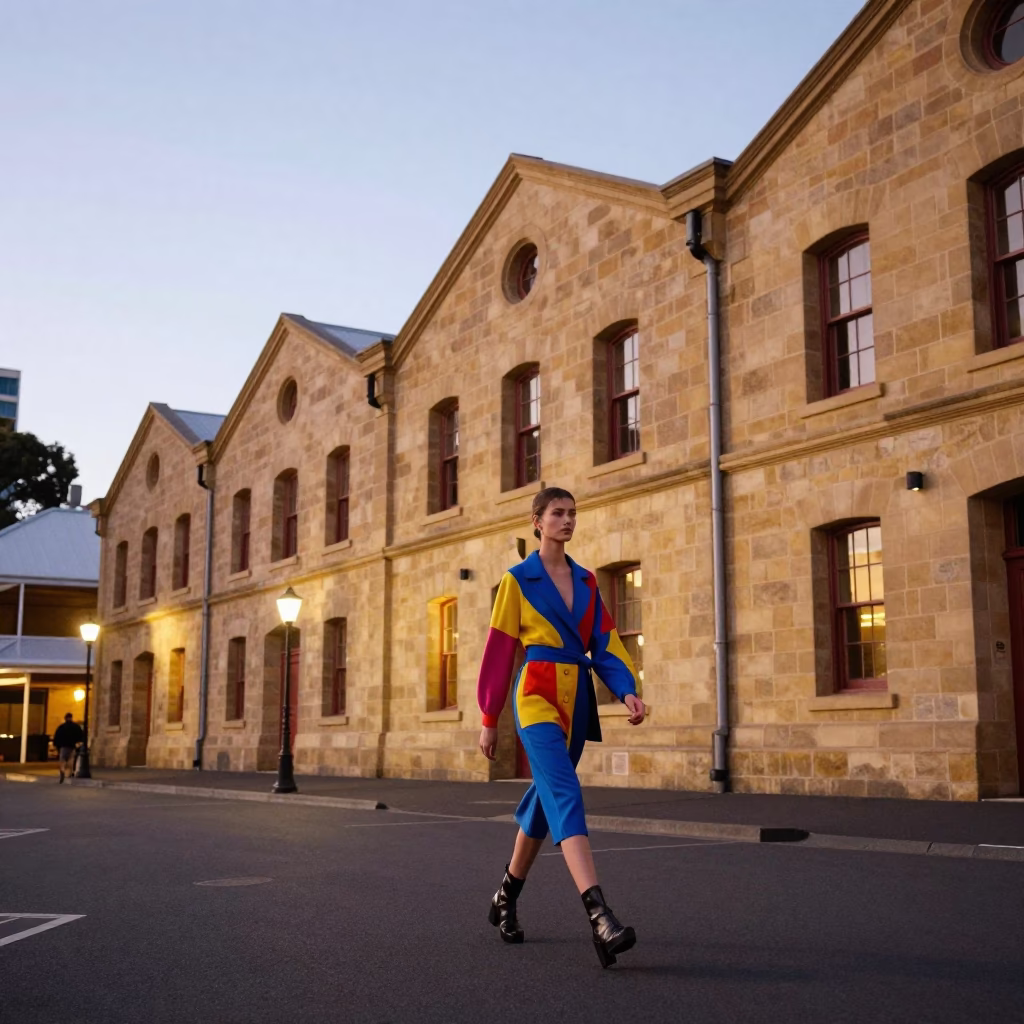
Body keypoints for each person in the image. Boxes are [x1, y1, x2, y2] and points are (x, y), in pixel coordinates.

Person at [477, 486, 646, 967]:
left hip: (577, 703)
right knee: (565, 792)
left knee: (544, 802)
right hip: (534, 697)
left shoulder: (587, 581)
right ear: (537, 522)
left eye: (572, 513)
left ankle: (506, 895)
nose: (567, 520)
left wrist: (626, 689)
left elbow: (606, 643)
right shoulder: (517, 580)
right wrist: (489, 718)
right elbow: (498, 653)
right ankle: (600, 916)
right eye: (557, 513)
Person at [53, 713, 84, 784]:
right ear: (71, 718)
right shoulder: (76, 727)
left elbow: (57, 737)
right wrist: (78, 744)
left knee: (62, 760)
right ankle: (70, 773)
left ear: (65, 718)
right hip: (72, 746)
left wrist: (57, 746)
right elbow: (81, 736)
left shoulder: (61, 727)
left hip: (63, 746)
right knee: (71, 759)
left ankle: (62, 770)